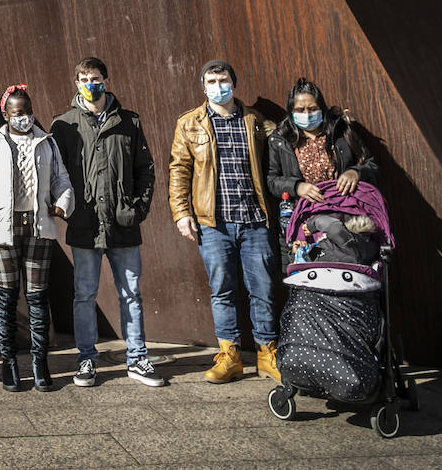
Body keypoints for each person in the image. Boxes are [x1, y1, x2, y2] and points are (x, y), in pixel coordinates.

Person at [51, 57, 166, 388]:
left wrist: (138, 208)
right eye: (85, 79)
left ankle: (137, 359)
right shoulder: (64, 124)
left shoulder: (128, 121)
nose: (91, 84)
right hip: (85, 223)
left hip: (123, 223)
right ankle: (86, 358)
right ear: (76, 83)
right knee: (84, 294)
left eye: (96, 78)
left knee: (131, 292)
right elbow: (55, 173)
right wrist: (64, 207)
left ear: (106, 79)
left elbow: (146, 168)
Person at [168, 59, 280, 384]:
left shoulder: (256, 122)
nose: (219, 86)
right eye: (212, 81)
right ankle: (229, 354)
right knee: (222, 289)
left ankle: (266, 353)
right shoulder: (189, 124)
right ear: (203, 87)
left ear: (234, 82)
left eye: (223, 79)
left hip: (255, 220)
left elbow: (282, 151)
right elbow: (179, 169)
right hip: (212, 222)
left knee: (263, 288)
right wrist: (181, 213)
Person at [0, 84, 75, 391]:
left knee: (38, 297)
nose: (24, 118)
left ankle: (40, 362)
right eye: (17, 113)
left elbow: (62, 178)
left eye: (27, 112)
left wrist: (62, 204)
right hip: (1, 230)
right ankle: (9, 363)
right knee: (7, 296)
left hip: (39, 227)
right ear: (5, 114)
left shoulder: (46, 142)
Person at [265, 78, 381, 264]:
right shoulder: (281, 139)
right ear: (291, 111)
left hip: (345, 216)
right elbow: (271, 181)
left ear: (322, 109)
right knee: (310, 272)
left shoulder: (341, 132)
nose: (307, 114)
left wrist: (355, 172)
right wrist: (297, 187)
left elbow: (372, 166)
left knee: (348, 265)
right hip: (303, 218)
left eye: (312, 109)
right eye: (300, 110)